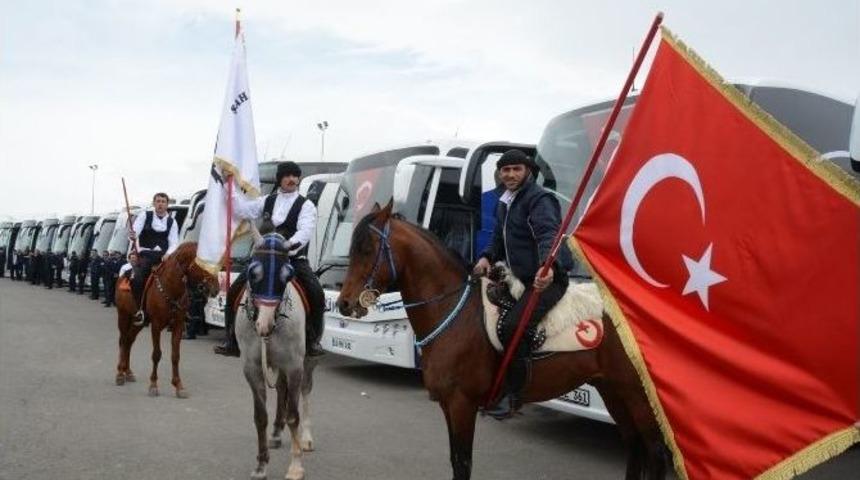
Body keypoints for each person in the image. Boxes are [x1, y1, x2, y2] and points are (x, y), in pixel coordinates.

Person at [472, 149, 575, 419]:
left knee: (512, 326)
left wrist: (547, 266)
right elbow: (497, 238)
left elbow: (548, 235)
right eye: (505, 170)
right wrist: (485, 257)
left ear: (528, 171)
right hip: (519, 277)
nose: (510, 174)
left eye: (516, 169)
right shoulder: (505, 201)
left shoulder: (540, 199)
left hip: (546, 279)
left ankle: (516, 394)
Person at [216, 161, 326, 357]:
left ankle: (312, 340)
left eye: (295, 176)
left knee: (316, 293)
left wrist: (288, 245)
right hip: (264, 261)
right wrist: (228, 184)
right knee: (234, 291)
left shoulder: (306, 205)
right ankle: (231, 340)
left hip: (291, 259)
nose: (292, 179)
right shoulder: (266, 201)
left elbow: (305, 231)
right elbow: (241, 210)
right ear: (280, 179)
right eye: (287, 176)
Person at [128, 192, 179, 326]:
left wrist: (168, 254)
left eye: (163, 201)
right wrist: (132, 235)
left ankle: (177, 312)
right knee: (137, 279)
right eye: (158, 201)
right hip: (146, 254)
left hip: (163, 256)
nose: (160, 204)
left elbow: (174, 242)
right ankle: (140, 310)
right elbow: (135, 232)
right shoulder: (145, 215)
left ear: (167, 204)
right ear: (154, 203)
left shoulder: (172, 222)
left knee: (180, 279)